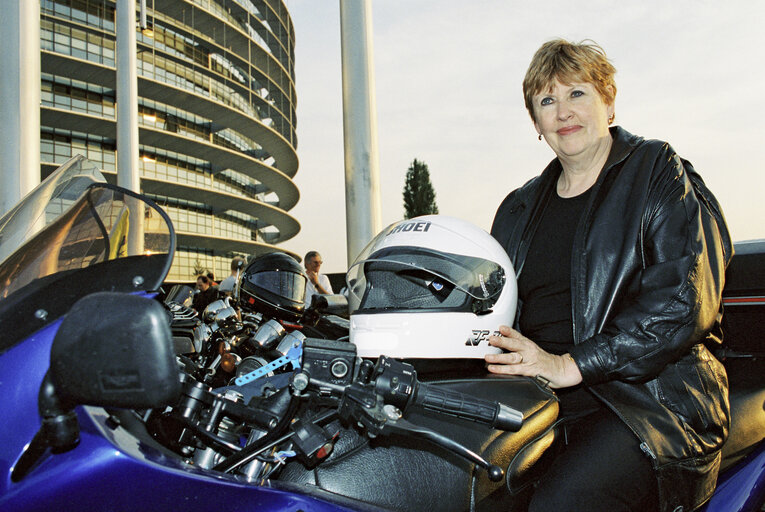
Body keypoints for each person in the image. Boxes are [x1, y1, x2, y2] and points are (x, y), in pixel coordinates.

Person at [486, 39, 732, 512]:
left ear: (609, 101)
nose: (563, 112)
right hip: (541, 397)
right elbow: (491, 305)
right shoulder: (517, 208)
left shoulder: (658, 170)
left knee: (562, 504)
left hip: (652, 401)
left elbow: (683, 302)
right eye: (547, 100)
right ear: (536, 123)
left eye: (577, 93)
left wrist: (567, 365)